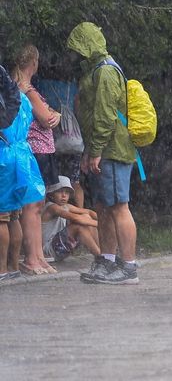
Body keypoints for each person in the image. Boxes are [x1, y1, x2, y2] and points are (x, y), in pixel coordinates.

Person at [67, 21, 140, 285]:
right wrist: (90, 151)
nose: (74, 54)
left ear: (87, 45)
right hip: (101, 150)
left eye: (77, 47)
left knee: (120, 206)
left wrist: (95, 151)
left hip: (114, 150)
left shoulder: (106, 72)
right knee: (103, 207)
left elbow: (106, 116)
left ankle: (129, 267)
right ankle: (108, 261)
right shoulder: (94, 70)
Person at [11, 45, 61, 275]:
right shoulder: (27, 89)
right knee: (33, 206)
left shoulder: (18, 86)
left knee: (37, 205)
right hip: (34, 151)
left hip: (33, 152)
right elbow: (47, 117)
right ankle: (33, 257)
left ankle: (38, 256)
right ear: (34, 62)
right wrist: (56, 115)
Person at [1, 68, 45, 281]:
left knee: (1, 217)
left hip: (3, 155)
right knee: (14, 215)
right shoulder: (22, 100)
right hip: (21, 157)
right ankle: (13, 266)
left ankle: (1, 270)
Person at [36, 76, 85, 209]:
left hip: (53, 142)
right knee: (75, 181)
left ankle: (47, 213)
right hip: (73, 142)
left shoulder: (40, 84)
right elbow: (78, 111)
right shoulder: (72, 86)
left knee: (51, 180)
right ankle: (79, 211)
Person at [41, 176, 101, 262]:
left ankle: (102, 253)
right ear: (51, 194)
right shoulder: (51, 207)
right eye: (60, 192)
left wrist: (102, 221)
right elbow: (76, 219)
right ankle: (100, 257)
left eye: (67, 193)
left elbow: (88, 212)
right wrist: (100, 225)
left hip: (60, 248)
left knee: (86, 217)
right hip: (49, 251)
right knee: (79, 226)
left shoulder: (66, 206)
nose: (64, 195)